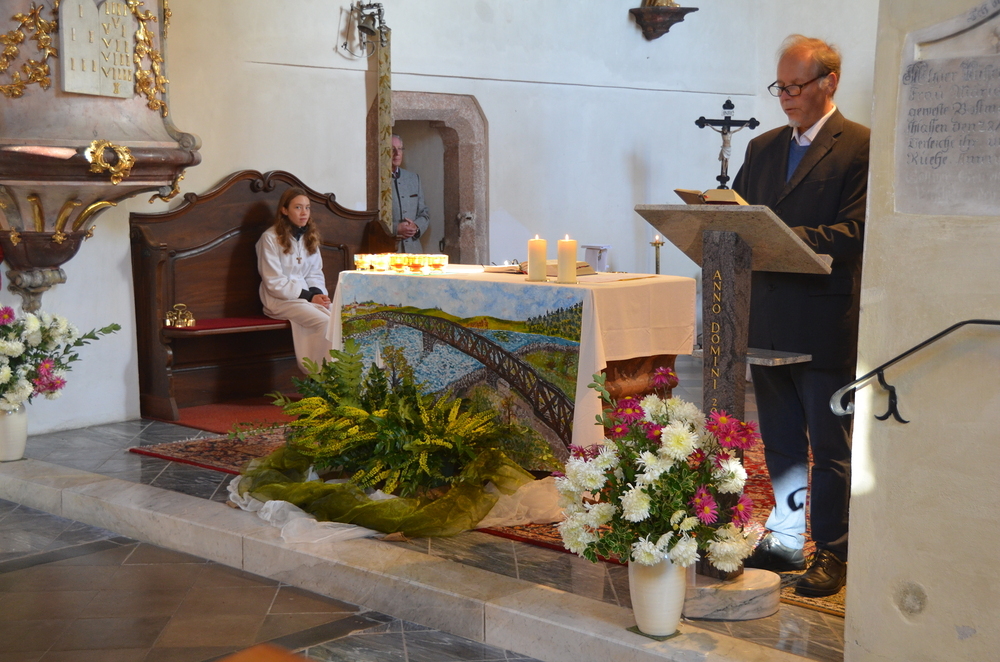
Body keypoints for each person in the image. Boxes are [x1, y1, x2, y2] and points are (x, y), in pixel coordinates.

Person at [732, 35, 869, 598]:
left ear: (829, 82)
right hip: (766, 315)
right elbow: (739, 218)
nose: (786, 96)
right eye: (780, 87)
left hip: (823, 320)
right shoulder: (762, 147)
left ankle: (834, 549)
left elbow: (856, 231)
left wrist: (781, 238)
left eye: (796, 86)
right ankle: (786, 538)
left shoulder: (860, 145)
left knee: (830, 448)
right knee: (782, 441)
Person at [256, 187, 333, 372]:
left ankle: (340, 375)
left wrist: (318, 294)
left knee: (339, 320)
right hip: (280, 300)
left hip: (307, 298)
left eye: (307, 207)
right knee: (325, 323)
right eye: (298, 207)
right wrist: (310, 297)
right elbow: (274, 282)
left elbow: (315, 273)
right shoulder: (270, 238)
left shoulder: (309, 237)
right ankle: (319, 375)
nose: (304, 212)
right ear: (284, 210)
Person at [390, 134, 430, 253]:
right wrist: (395, 228)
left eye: (400, 149)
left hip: (414, 251)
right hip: (388, 251)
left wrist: (416, 227)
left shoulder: (413, 178)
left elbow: (424, 213)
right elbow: (371, 221)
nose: (397, 153)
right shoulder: (376, 180)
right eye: (392, 149)